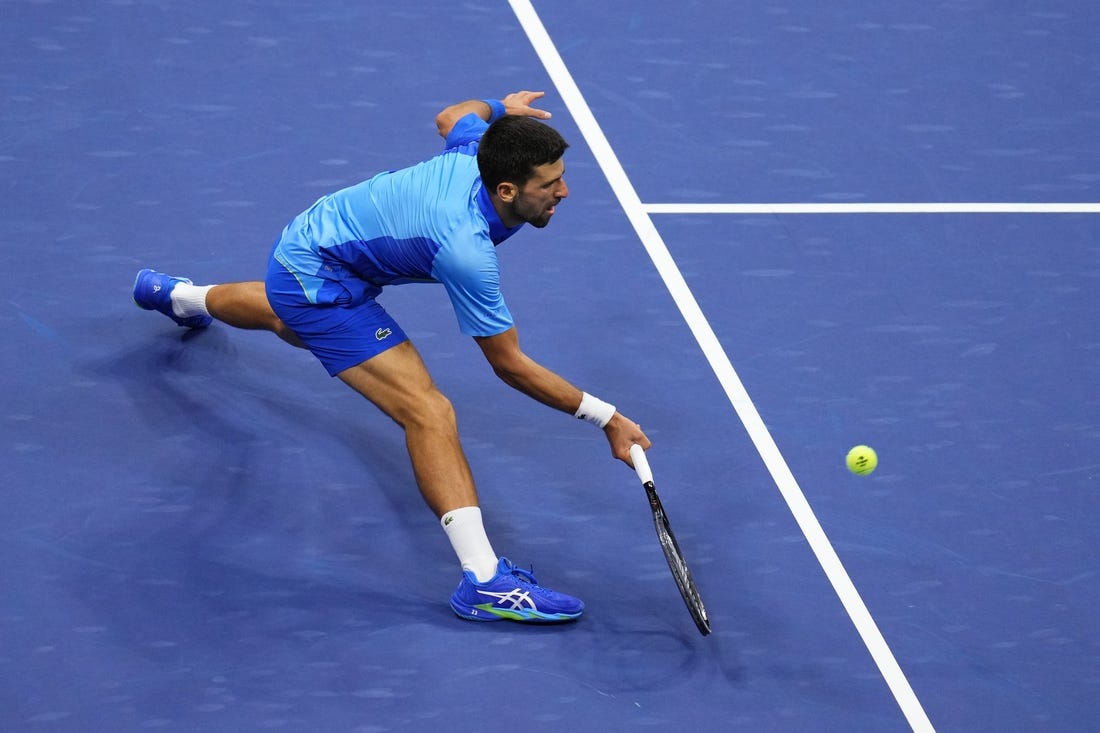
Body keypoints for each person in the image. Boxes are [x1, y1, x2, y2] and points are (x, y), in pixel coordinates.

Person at [133, 90, 651, 623]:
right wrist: (605, 417)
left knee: (286, 315)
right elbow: (509, 365)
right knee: (427, 411)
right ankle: (485, 582)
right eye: (549, 184)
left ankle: (174, 295)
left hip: (320, 238)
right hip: (323, 274)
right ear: (505, 188)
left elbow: (454, 115)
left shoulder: (475, 149)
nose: (564, 191)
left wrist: (501, 109)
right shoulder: (465, 250)